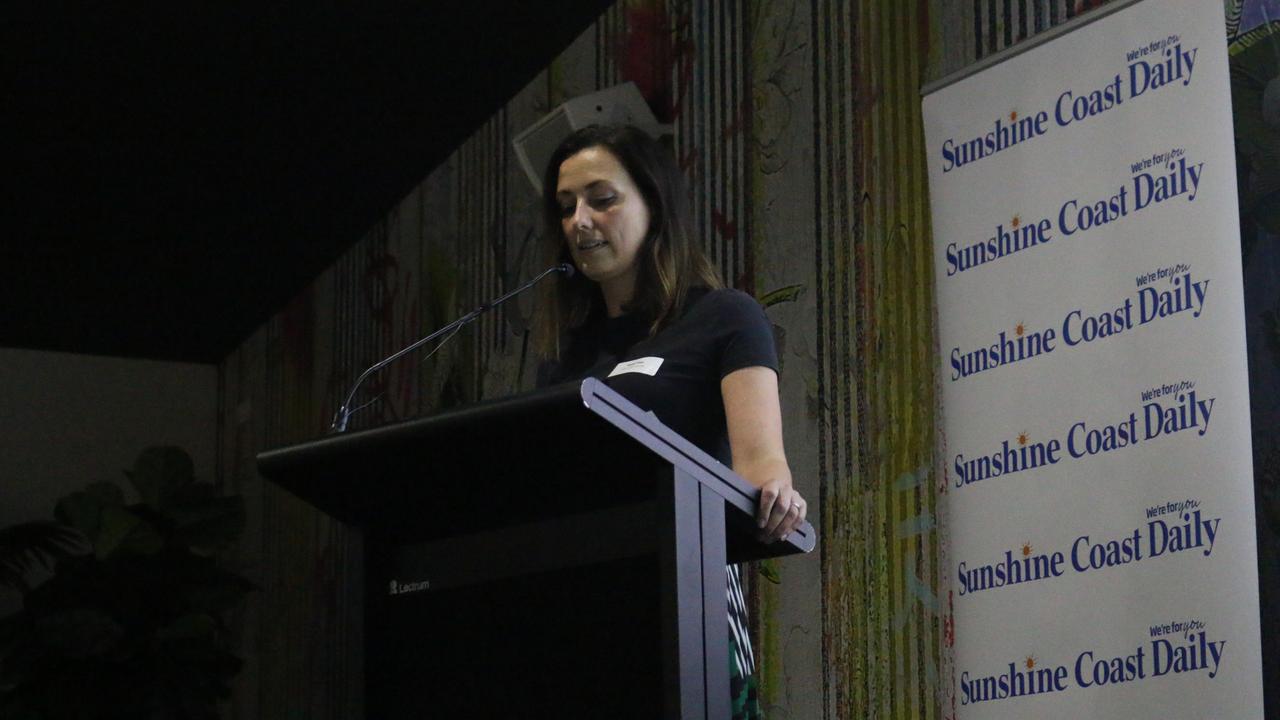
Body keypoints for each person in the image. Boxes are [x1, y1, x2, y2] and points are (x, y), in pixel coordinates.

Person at [535, 124, 807, 718]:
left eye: (601, 199)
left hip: (691, 599)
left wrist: (776, 494)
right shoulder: (563, 365)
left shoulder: (725, 318)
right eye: (565, 207)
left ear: (654, 205)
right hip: (586, 614)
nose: (580, 220)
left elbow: (762, 470)